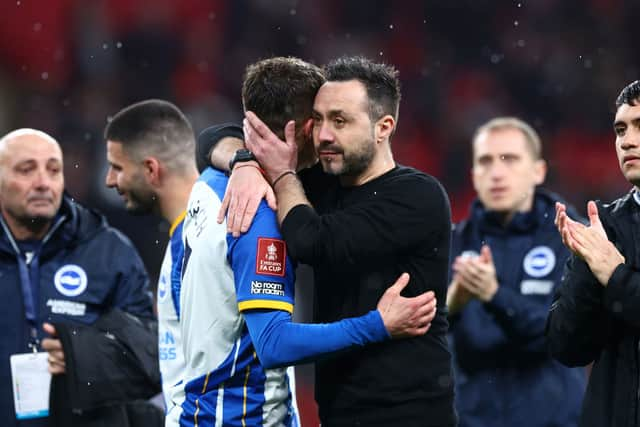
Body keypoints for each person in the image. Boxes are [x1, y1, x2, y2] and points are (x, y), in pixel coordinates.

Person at [174, 56, 439, 427]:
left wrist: (262, 168)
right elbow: (274, 343)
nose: (326, 134)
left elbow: (311, 240)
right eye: (321, 120)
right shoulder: (265, 205)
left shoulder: (414, 196)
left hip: (406, 413)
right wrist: (245, 162)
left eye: (340, 120)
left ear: (384, 127)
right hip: (273, 413)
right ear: (302, 127)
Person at [0, 128, 159, 427]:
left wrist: (81, 356)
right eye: (26, 170)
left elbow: (154, 356)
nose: (43, 183)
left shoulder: (108, 253)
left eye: (53, 170)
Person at [445, 117, 586, 427]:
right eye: (485, 161)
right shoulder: (452, 242)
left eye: (509, 159)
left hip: (553, 419)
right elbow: (424, 345)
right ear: (473, 175)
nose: (496, 172)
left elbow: (560, 335)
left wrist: (494, 295)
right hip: (473, 420)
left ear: (538, 171)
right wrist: (450, 308)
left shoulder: (572, 239)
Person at [548, 79, 640, 427]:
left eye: (639, 126)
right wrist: (588, 270)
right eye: (620, 129)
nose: (627, 141)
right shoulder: (603, 227)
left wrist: (615, 276)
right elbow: (566, 347)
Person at [103, 99, 199, 422]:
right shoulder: (183, 238)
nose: (109, 181)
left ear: (150, 169)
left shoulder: (213, 237)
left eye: (117, 167)